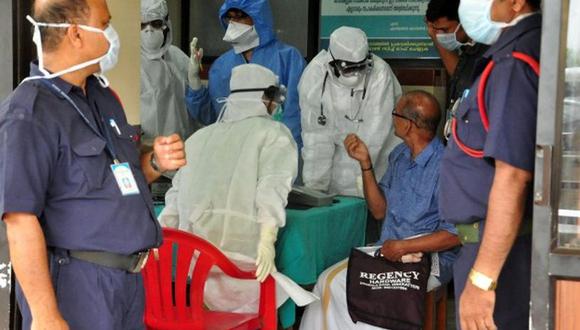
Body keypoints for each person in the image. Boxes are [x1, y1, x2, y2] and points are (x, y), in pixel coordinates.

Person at [0, 0, 186, 329]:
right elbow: (19, 220)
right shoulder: (29, 114)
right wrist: (45, 316)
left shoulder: (102, 97)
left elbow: (117, 177)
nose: (112, 35)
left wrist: (154, 161)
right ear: (75, 34)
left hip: (126, 284)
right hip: (79, 286)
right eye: (104, 25)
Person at [299, 91, 460, 330]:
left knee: (371, 297)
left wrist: (405, 246)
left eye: (394, 114)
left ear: (408, 125)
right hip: (387, 250)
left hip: (427, 260)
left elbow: (456, 234)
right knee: (327, 281)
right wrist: (365, 164)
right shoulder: (399, 156)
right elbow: (379, 211)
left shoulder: (447, 166)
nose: (391, 119)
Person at [160, 63, 298, 312]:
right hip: (241, 271)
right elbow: (272, 189)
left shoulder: (198, 138)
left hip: (193, 274)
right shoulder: (273, 134)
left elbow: (173, 202)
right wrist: (267, 240)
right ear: (264, 99)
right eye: (274, 98)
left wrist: (158, 242)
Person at [439, 0, 541, 328]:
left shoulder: (515, 60)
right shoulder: (503, 55)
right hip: (491, 248)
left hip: (500, 258)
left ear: (515, 2)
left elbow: (512, 175)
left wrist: (483, 280)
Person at [185, 0, 306, 149]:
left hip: (274, 151)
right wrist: (195, 82)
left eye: (240, 16)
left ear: (259, 17)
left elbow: (294, 114)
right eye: (229, 18)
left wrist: (284, 152)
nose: (233, 23)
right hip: (232, 153)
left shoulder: (287, 59)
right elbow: (212, 117)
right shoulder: (221, 67)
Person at [299, 26, 402, 198]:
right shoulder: (314, 75)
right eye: (348, 68)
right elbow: (315, 137)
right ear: (331, 62)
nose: (355, 73)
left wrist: (357, 190)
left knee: (367, 209)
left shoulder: (380, 73)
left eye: (361, 67)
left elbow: (374, 136)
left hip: (374, 167)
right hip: (335, 174)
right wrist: (315, 191)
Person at [424, 0, 488, 137]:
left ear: (464, 21)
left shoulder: (487, 52)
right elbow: (460, 77)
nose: (439, 34)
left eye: (445, 29)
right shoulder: (469, 49)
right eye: (436, 29)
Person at [140, 0, 200, 145]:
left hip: (185, 145)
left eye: (155, 23)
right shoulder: (132, 64)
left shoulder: (177, 56)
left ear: (166, 25)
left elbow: (198, 105)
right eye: (142, 25)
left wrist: (195, 81)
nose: (149, 30)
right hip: (151, 152)